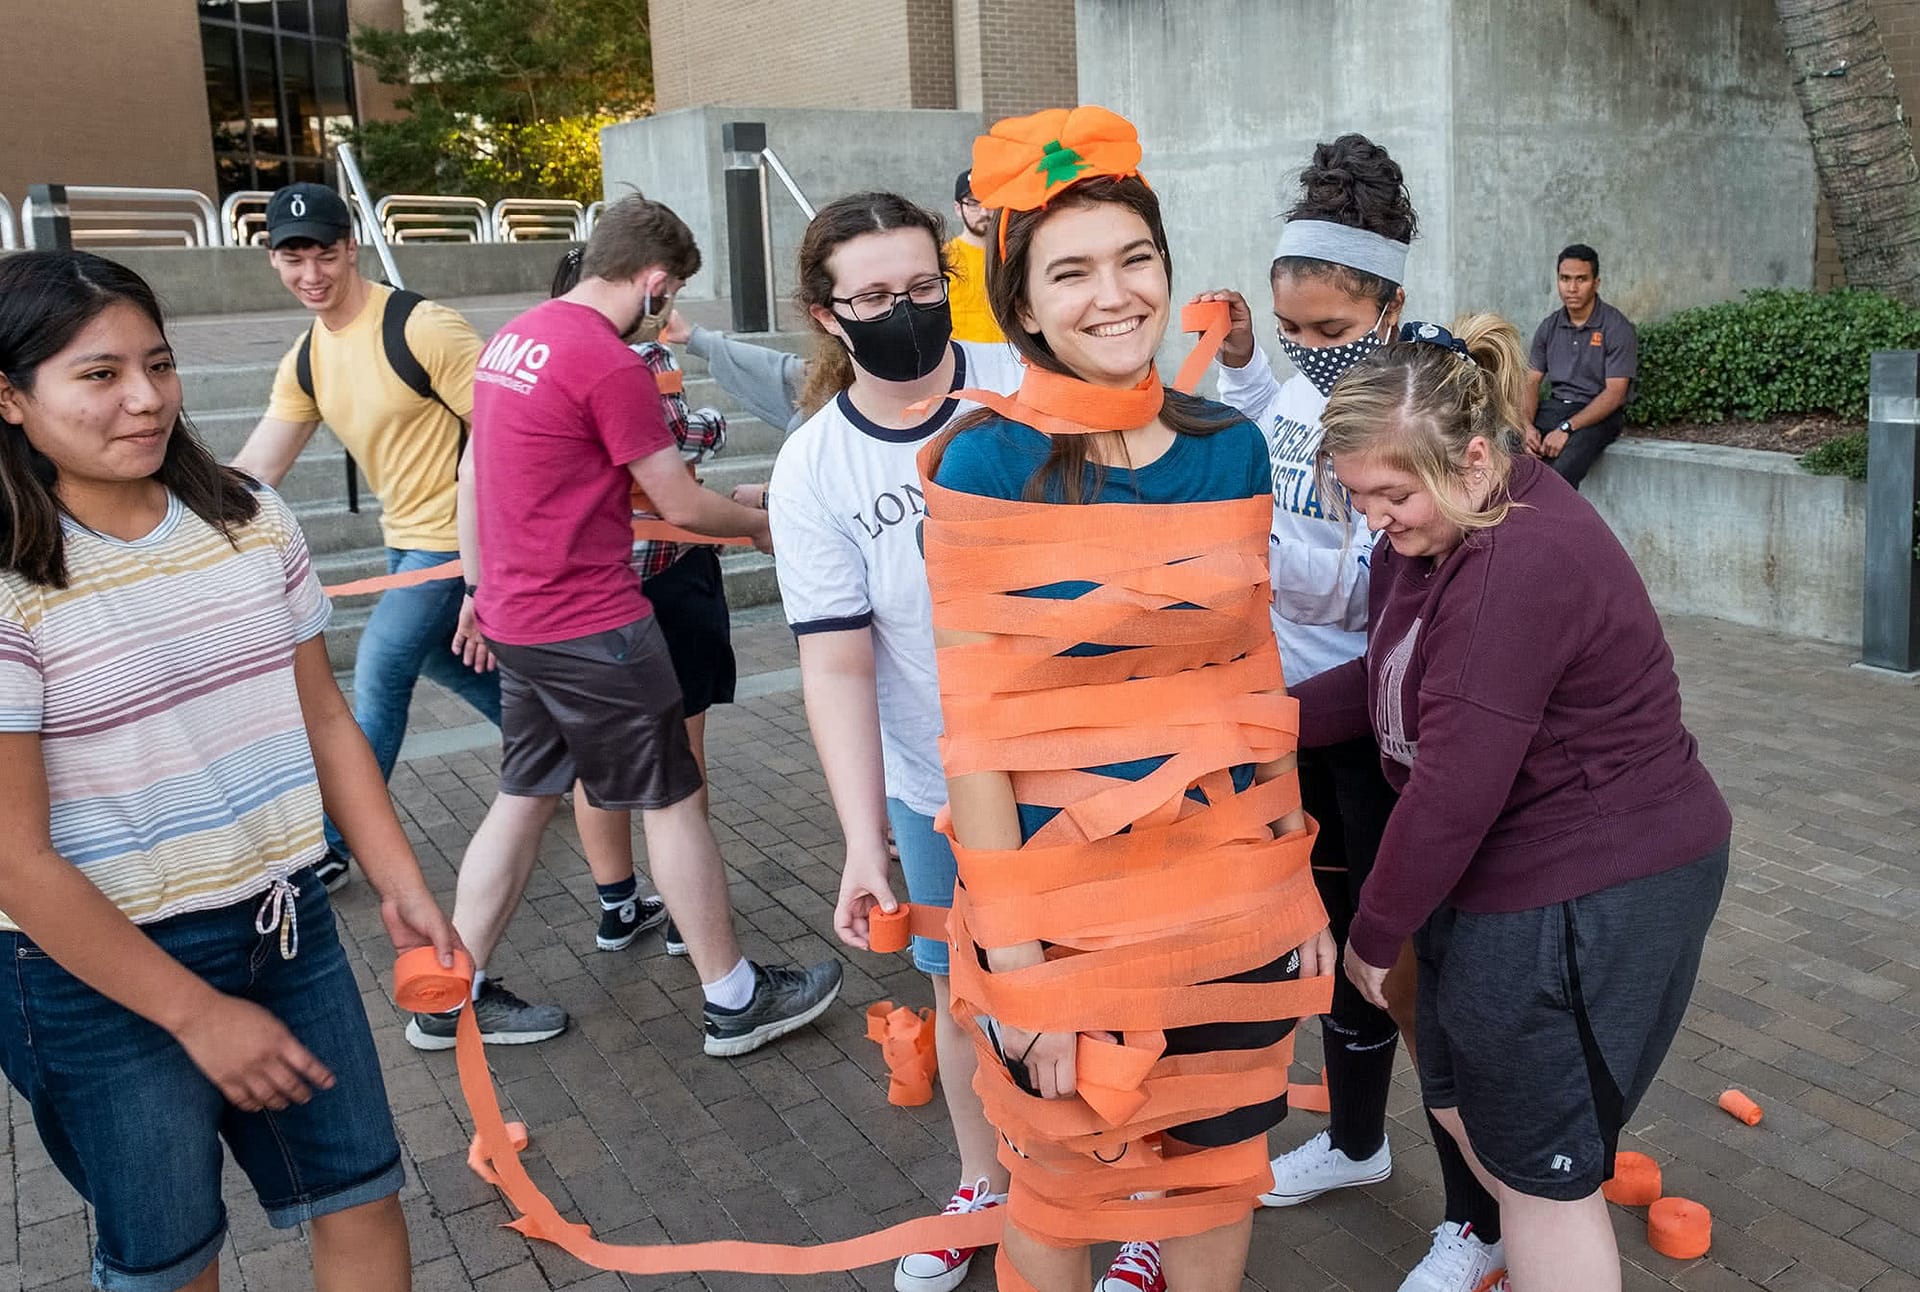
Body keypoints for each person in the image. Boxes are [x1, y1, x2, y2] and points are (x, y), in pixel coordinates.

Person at [924, 106, 1335, 1292]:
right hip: (1063, 914)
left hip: (1230, 902)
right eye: (1071, 271)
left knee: (1215, 1168)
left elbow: (1257, 686)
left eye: (1134, 259)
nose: (1113, 294)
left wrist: (1293, 881)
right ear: (1022, 300)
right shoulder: (982, 464)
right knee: (1059, 1186)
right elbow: (979, 737)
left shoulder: (1230, 452)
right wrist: (1018, 967)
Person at [0, 250, 461, 1292]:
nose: (146, 398)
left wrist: (399, 881)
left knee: (359, 1191)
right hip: (87, 973)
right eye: (100, 373)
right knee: (170, 1255)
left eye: (157, 364)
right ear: (11, 397)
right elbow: (16, 862)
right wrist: (197, 1014)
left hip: (283, 924)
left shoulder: (248, 516)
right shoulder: (13, 580)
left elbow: (328, 722)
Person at [1304, 314, 1731, 1292]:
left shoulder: (1517, 564)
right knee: (1472, 1105)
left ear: (1480, 455)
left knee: (1547, 1175)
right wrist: (1257, 717)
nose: (1376, 517)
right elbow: (1400, 678)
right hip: (1504, 872)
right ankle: (1515, 1235)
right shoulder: (1435, 530)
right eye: (1361, 495)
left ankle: (1537, 1236)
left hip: (1592, 880)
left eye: (1392, 494)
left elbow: (1454, 782)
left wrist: (1374, 936)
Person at [405, 195, 843, 1056]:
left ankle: (450, 995)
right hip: (594, 623)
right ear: (650, 279)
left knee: (523, 798)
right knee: (674, 802)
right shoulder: (608, 364)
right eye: (671, 292)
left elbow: (477, 482)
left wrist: (482, 591)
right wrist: (765, 526)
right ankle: (733, 998)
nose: (669, 311)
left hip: (522, 619)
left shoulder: (513, 342)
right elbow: (677, 500)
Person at [1195, 135, 1507, 1292]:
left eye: (1332, 332)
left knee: (1403, 963)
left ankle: (1477, 1214)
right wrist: (1240, 366)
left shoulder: (1404, 419)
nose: (1310, 354)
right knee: (1329, 943)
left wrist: (1258, 568)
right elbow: (1269, 429)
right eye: (1294, 333)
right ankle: (1360, 1142)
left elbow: (1370, 572)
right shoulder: (1299, 383)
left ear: (1390, 307)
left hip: (1372, 721)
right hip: (1298, 712)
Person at [768, 190, 1024, 1292]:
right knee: (960, 993)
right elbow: (835, 661)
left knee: (1105, 997)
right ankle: (986, 1184)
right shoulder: (815, 465)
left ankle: (1140, 1195)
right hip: (939, 784)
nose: (905, 312)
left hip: (1086, 766)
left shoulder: (1022, 388)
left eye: (924, 288)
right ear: (829, 315)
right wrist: (860, 834)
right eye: (874, 296)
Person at [232, 182, 499, 892]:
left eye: (324, 254)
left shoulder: (423, 328)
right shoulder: (308, 357)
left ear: (351, 249)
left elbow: (512, 436)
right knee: (444, 662)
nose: (311, 275)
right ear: (273, 261)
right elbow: (259, 467)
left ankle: (327, 846)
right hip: (403, 540)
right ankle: (553, 750)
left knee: (379, 670)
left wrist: (489, 568)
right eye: (294, 259)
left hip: (457, 538)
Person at [544, 245, 730, 955]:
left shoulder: (542, 362)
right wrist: (714, 426)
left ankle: (618, 904)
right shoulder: (639, 362)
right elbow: (682, 435)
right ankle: (692, 920)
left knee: (600, 756)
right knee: (682, 755)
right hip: (666, 572)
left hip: (592, 585)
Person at [1519, 244, 1637, 489]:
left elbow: (1615, 394)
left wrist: (1566, 428)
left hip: (1597, 415)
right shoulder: (1549, 327)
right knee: (1509, 448)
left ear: (1596, 282)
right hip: (1555, 408)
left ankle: (1555, 524)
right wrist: (1526, 425)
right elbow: (1531, 381)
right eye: (1565, 279)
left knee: (1561, 470)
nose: (1571, 288)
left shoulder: (1617, 327)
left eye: (1581, 279)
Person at [946, 169, 1006, 344]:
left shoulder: (1014, 256)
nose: (984, 212)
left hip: (1012, 358)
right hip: (962, 358)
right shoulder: (941, 259)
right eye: (974, 204)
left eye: (991, 202)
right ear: (958, 208)